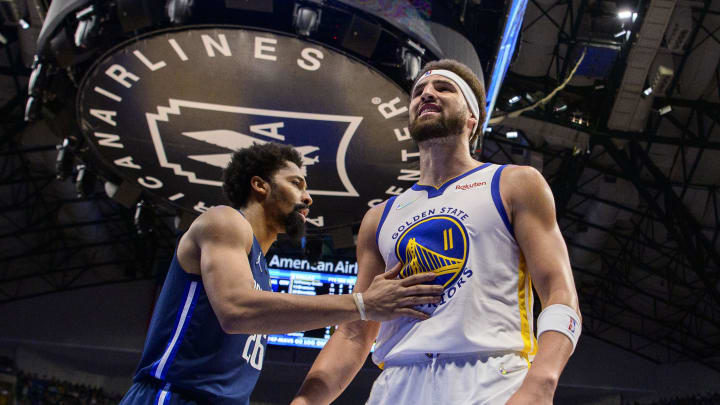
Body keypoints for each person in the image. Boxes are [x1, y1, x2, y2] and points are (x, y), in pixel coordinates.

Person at [292, 60, 581, 405]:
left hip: (490, 380)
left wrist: (541, 384)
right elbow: (356, 331)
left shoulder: (514, 184)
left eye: (444, 88)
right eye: (418, 92)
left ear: (472, 120)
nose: (427, 93)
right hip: (396, 383)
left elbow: (560, 293)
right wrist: (306, 401)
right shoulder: (379, 217)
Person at [119, 142, 444, 405]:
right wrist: (361, 303)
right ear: (260, 185)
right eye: (296, 183)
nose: (308, 197)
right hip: (172, 395)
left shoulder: (260, 270)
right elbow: (236, 311)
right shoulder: (225, 221)